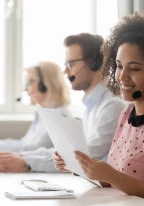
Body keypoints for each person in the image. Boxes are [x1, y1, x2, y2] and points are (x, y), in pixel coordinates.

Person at [54, 13, 144, 206]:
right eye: (118, 66)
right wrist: (78, 166)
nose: (122, 77)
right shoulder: (126, 114)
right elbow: (117, 182)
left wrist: (112, 175)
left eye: (134, 68)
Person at [52, 33, 125, 166]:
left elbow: (82, 155)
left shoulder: (112, 106)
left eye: (70, 64)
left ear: (93, 63)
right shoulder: (91, 106)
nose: (65, 72)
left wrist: (28, 162)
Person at [0, 61, 71, 173]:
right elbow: (23, 144)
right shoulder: (42, 113)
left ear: (45, 85)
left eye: (31, 82)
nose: (26, 89)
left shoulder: (59, 117)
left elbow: (29, 148)